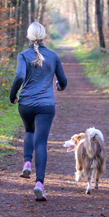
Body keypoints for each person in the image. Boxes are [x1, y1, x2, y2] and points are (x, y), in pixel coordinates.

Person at [10, 22, 67, 201]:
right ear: (44, 36)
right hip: (46, 105)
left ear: (29, 36)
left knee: (29, 131)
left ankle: (27, 162)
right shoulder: (53, 56)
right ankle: (39, 184)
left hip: (26, 103)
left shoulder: (23, 55)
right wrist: (58, 86)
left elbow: (19, 76)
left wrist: (12, 94)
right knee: (41, 142)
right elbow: (63, 81)